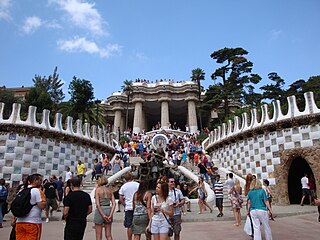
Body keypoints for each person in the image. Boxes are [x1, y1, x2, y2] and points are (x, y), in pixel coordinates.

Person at [16, 174, 46, 240]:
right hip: (33, 222)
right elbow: (41, 205)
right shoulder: (37, 191)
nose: (41, 182)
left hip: (19, 222)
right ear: (35, 180)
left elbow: (16, 204)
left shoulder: (21, 191)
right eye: (40, 180)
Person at [94, 176, 116, 240]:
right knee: (108, 235)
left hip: (100, 211)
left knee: (98, 235)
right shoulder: (110, 190)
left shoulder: (97, 190)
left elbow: (97, 204)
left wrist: (103, 215)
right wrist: (111, 214)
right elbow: (114, 203)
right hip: (108, 209)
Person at [119, 173, 140, 240]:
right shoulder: (137, 184)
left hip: (128, 207)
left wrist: (124, 204)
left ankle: (129, 239)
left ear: (125, 179)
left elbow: (121, 198)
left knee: (129, 226)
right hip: (137, 207)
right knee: (137, 225)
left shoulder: (123, 186)